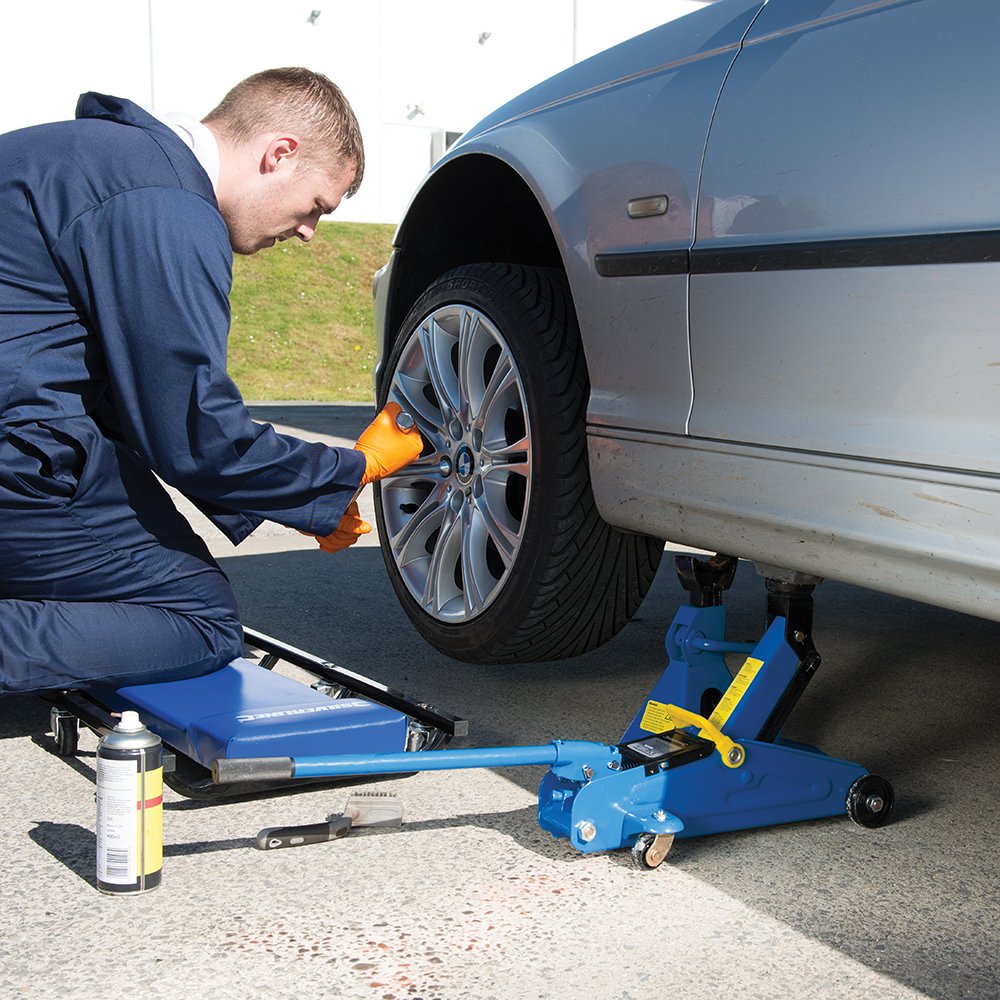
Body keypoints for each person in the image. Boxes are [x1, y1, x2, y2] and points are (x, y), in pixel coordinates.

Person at [0, 68, 422, 694]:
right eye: (316, 207)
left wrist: (303, 503)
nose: (308, 234)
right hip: (17, 457)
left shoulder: (82, 155)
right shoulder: (164, 202)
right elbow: (194, 429)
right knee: (199, 619)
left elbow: (130, 399)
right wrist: (346, 471)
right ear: (280, 154)